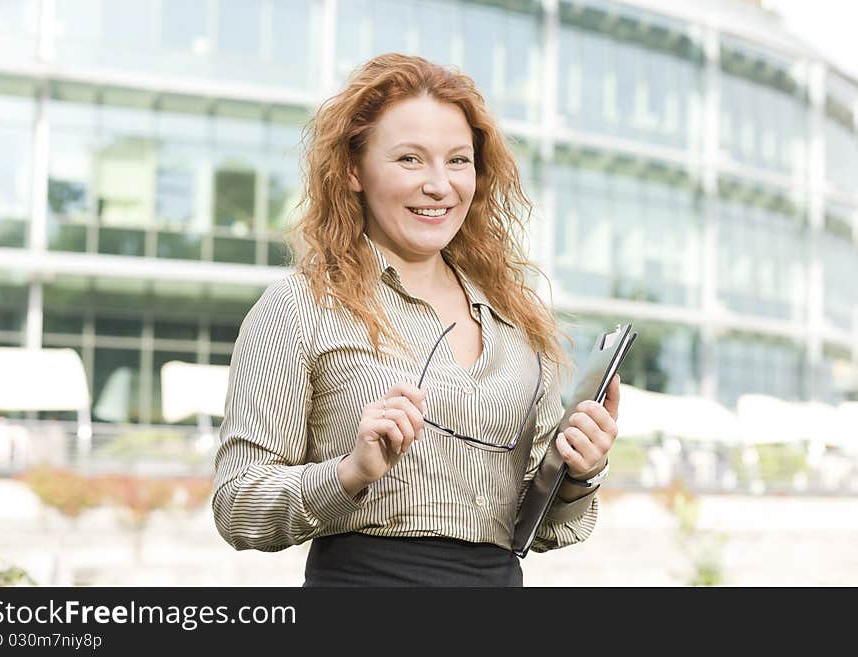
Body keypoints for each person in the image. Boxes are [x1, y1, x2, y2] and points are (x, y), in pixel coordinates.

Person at [212, 53, 621, 587]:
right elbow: (237, 504)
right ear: (353, 171)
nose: (439, 185)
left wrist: (577, 473)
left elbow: (534, 527)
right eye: (409, 159)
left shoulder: (517, 323)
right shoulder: (300, 306)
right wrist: (349, 472)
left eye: (457, 160)